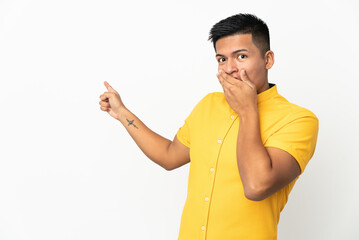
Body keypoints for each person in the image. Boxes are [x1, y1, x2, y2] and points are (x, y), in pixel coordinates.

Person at [99, 13, 319, 240]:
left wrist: (247, 110)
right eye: (222, 59)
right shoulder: (208, 104)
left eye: (241, 56)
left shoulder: (298, 120)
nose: (230, 68)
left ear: (268, 60)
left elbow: (256, 186)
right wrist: (122, 113)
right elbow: (168, 156)